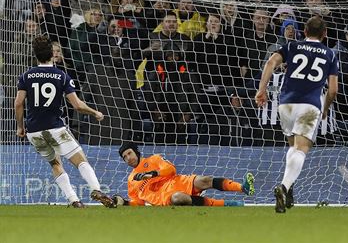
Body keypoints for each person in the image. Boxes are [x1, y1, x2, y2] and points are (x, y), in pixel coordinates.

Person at [14, 35, 115, 208]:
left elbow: (18, 103)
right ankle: (96, 189)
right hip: (55, 128)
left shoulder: (26, 76)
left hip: (34, 131)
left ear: (36, 55)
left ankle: (74, 200)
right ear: (52, 55)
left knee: (55, 163)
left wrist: (20, 127)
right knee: (80, 160)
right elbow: (76, 105)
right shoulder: (61, 76)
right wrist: (94, 112)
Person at [255, 16, 338, 213]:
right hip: (309, 106)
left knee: (292, 145)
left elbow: (270, 62)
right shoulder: (330, 54)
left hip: (286, 104)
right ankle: (283, 187)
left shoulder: (292, 46)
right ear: (324, 34)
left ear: (305, 32)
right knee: (302, 148)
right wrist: (325, 109)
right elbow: (333, 90)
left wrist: (261, 89)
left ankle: (289, 187)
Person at [113, 143, 255, 207]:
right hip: (166, 198)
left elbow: (171, 170)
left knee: (205, 180)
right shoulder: (131, 180)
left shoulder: (154, 159)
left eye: (129, 153)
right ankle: (226, 204)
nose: (128, 158)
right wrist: (124, 203)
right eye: (124, 157)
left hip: (179, 182)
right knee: (178, 198)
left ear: (136, 152)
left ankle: (243, 187)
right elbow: (138, 203)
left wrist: (152, 174)